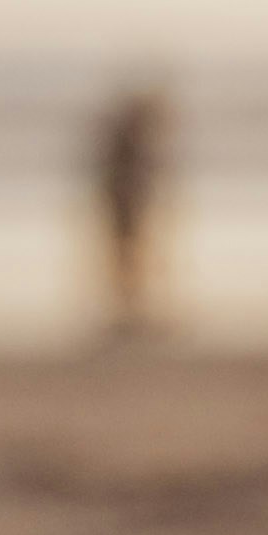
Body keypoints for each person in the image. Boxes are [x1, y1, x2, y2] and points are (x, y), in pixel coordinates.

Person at [88, 78, 177, 341]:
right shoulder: (128, 140)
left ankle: (131, 312)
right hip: (124, 205)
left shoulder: (126, 138)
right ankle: (128, 313)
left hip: (126, 204)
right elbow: (124, 177)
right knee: (129, 258)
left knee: (131, 258)